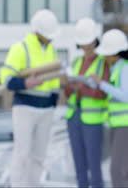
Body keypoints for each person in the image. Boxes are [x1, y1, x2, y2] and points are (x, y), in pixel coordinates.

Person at [0, 9, 61, 187]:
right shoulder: (21, 48)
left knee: (39, 156)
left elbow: (54, 80)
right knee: (22, 154)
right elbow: (7, 79)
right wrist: (25, 84)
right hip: (25, 107)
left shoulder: (52, 51)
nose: (51, 38)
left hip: (46, 109)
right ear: (38, 32)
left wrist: (53, 103)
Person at [64, 18, 109, 188]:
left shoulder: (102, 63)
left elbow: (102, 93)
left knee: (94, 166)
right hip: (74, 117)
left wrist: (81, 87)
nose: (86, 48)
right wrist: (68, 85)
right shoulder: (76, 62)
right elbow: (68, 93)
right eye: (83, 44)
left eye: (88, 43)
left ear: (94, 42)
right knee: (79, 166)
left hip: (92, 121)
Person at [91, 29, 128, 188]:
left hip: (124, 125)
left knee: (117, 170)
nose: (104, 57)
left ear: (115, 53)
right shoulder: (115, 68)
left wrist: (102, 84)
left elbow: (126, 96)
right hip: (117, 124)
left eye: (106, 54)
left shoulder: (125, 69)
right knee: (122, 169)